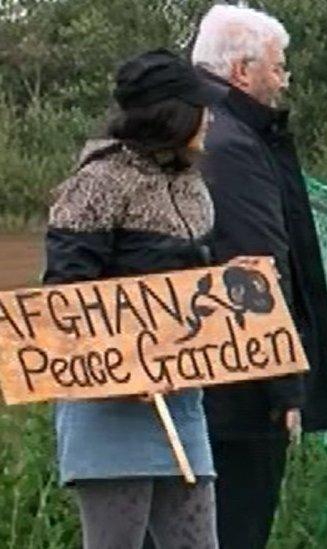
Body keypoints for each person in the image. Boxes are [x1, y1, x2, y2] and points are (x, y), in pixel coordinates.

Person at [44, 49, 223, 548]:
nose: (211, 118)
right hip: (111, 407)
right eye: (201, 107)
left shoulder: (193, 186)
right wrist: (122, 364)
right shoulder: (97, 183)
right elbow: (66, 293)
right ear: (174, 114)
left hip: (182, 401)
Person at [190, 5, 327, 547]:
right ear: (241, 70)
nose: (283, 82)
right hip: (239, 393)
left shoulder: (200, 129)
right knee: (236, 526)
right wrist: (287, 387)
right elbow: (257, 269)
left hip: (207, 382)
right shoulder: (231, 144)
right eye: (278, 68)